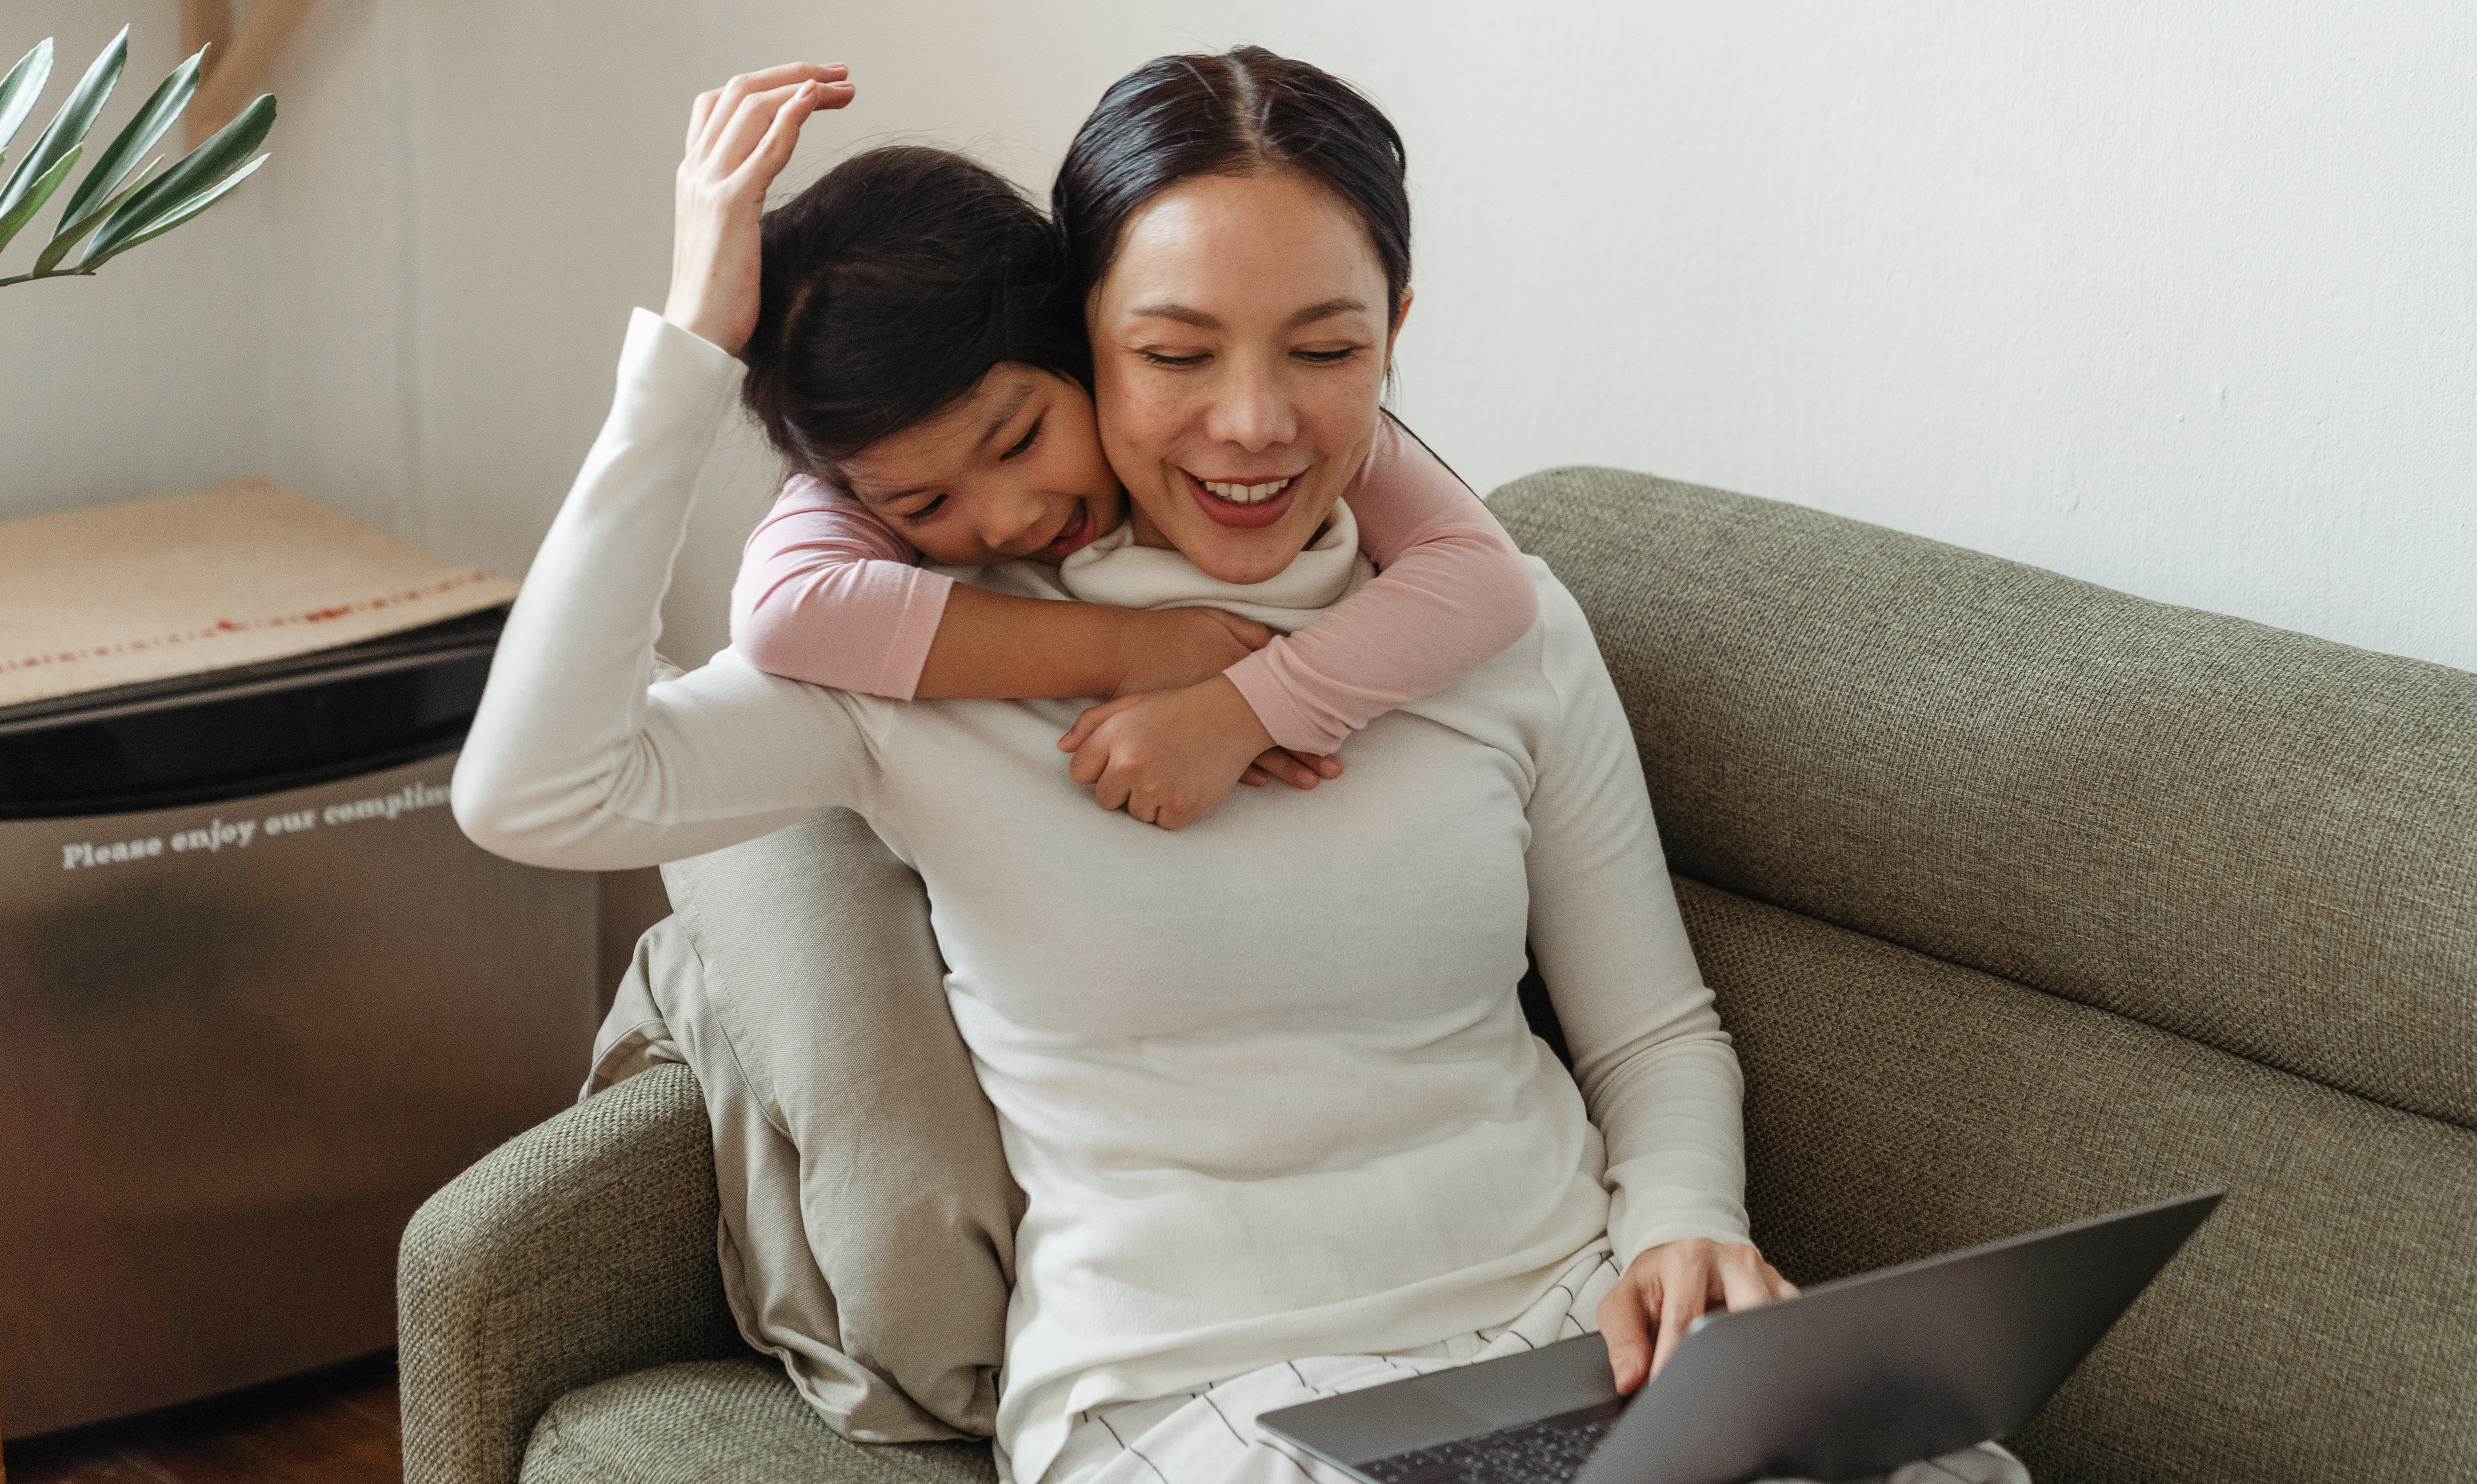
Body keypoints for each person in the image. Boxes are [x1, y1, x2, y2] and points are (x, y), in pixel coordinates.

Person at [456, 47, 2025, 1484]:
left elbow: (1657, 1033)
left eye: (1327, 346)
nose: (1253, 422)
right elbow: (532, 792)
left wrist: (1688, 1228)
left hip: (1569, 1321)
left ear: (1394, 334)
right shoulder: (910, 665)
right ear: (1087, 335)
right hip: (1188, 1385)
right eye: (1177, 351)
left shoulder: (1498, 623)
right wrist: (683, 359)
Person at [722, 141, 1538, 830]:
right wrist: (1136, 651)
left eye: (1023, 441)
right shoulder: (874, 451)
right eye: (925, 506)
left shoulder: (1279, 434)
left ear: (1081, 338)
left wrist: (1247, 708)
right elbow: (787, 609)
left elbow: (1488, 578)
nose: (1008, 522)